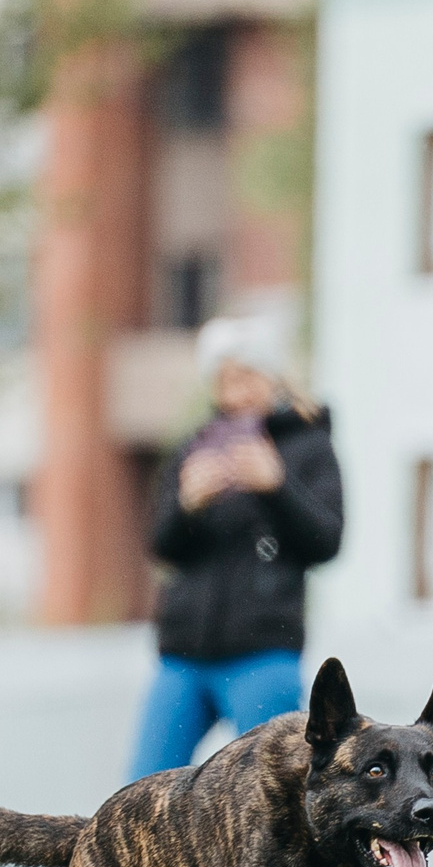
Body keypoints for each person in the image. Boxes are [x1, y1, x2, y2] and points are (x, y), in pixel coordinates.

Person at [125, 315, 345, 779]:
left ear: (273, 378)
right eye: (225, 380)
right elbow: (160, 546)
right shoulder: (195, 447)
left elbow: (327, 540)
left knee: (272, 789)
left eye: (247, 377)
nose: (236, 393)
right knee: (142, 785)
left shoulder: (308, 445)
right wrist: (187, 505)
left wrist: (276, 486)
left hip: (264, 651)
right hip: (184, 652)